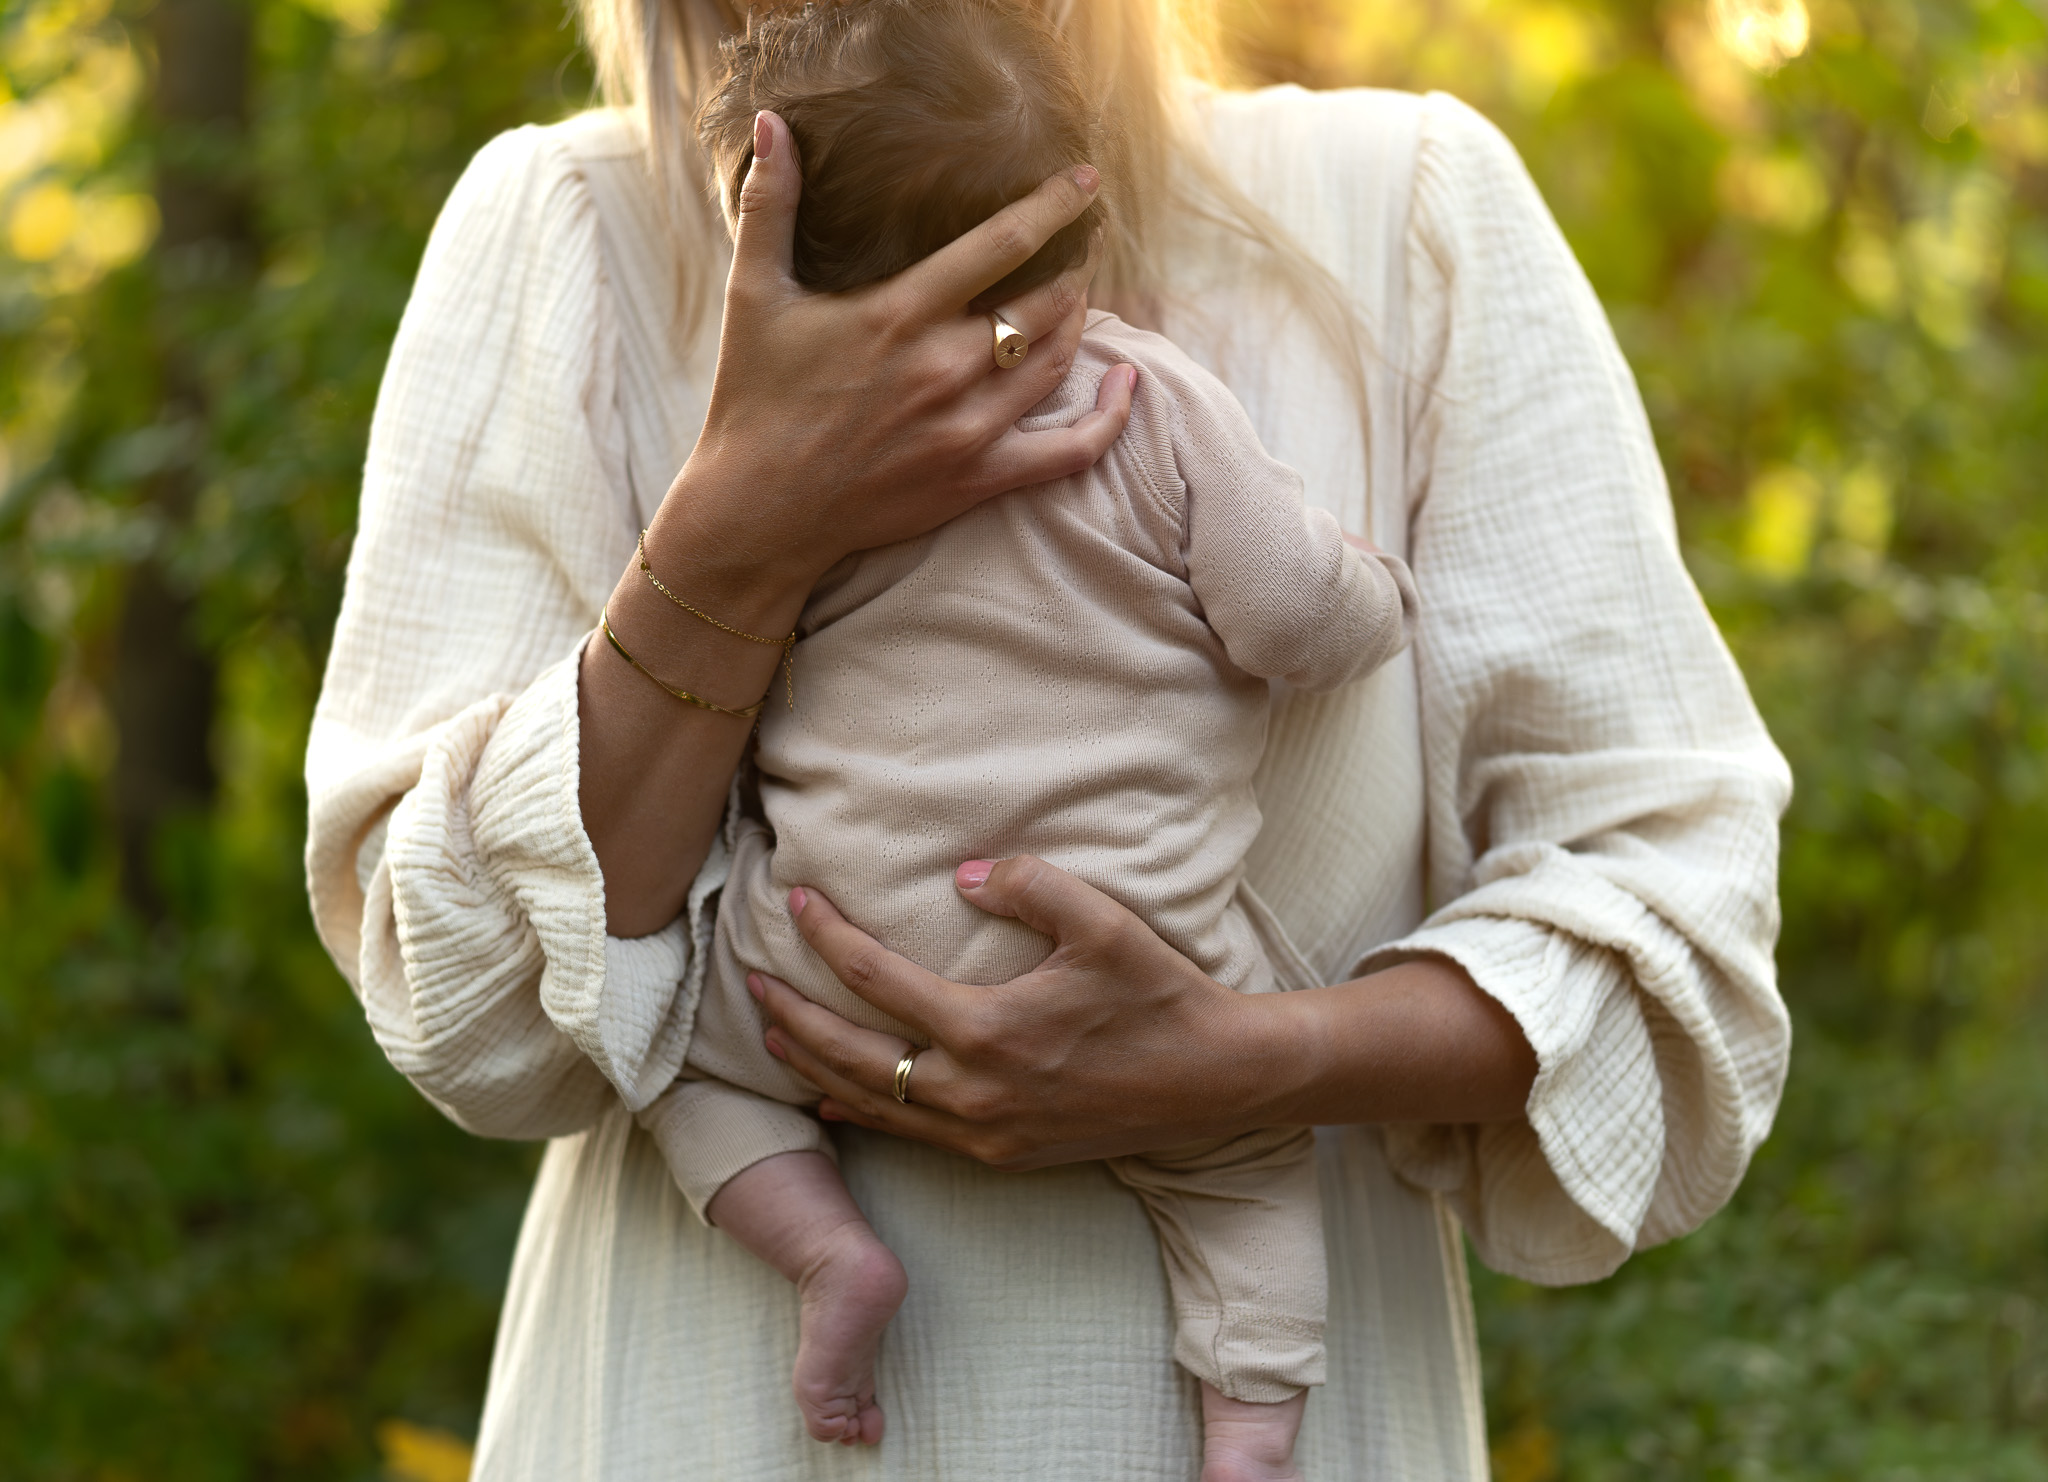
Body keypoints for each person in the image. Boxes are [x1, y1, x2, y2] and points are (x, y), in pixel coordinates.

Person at [303, 0, 1793, 1473]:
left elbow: (1681, 949)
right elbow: (468, 1011)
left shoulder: (1402, 214)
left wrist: (1258, 1057)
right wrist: (739, 535)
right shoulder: (567, 228)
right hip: (700, 1421)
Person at [633, 4, 1419, 1470]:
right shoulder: (1153, 401)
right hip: (1131, 944)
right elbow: (1292, 619)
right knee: (1244, 1161)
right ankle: (1249, 1419)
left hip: (828, 942)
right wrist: (1377, 591)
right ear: (1078, 205)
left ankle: (827, 1254)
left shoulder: (784, 466)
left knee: (675, 1052)